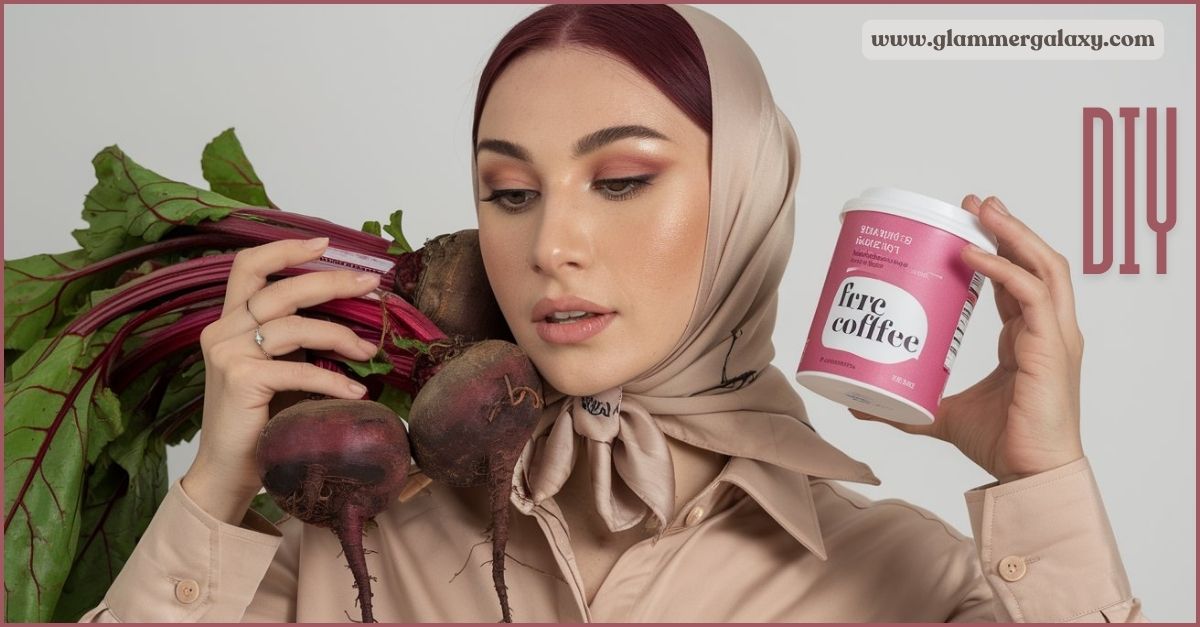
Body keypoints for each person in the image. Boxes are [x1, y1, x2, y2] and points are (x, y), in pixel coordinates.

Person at [79, 4, 1147, 622]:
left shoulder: (908, 582)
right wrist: (216, 490)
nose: (550, 246)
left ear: (743, 204)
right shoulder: (334, 544)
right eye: (509, 192)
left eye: (624, 179)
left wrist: (1039, 480)